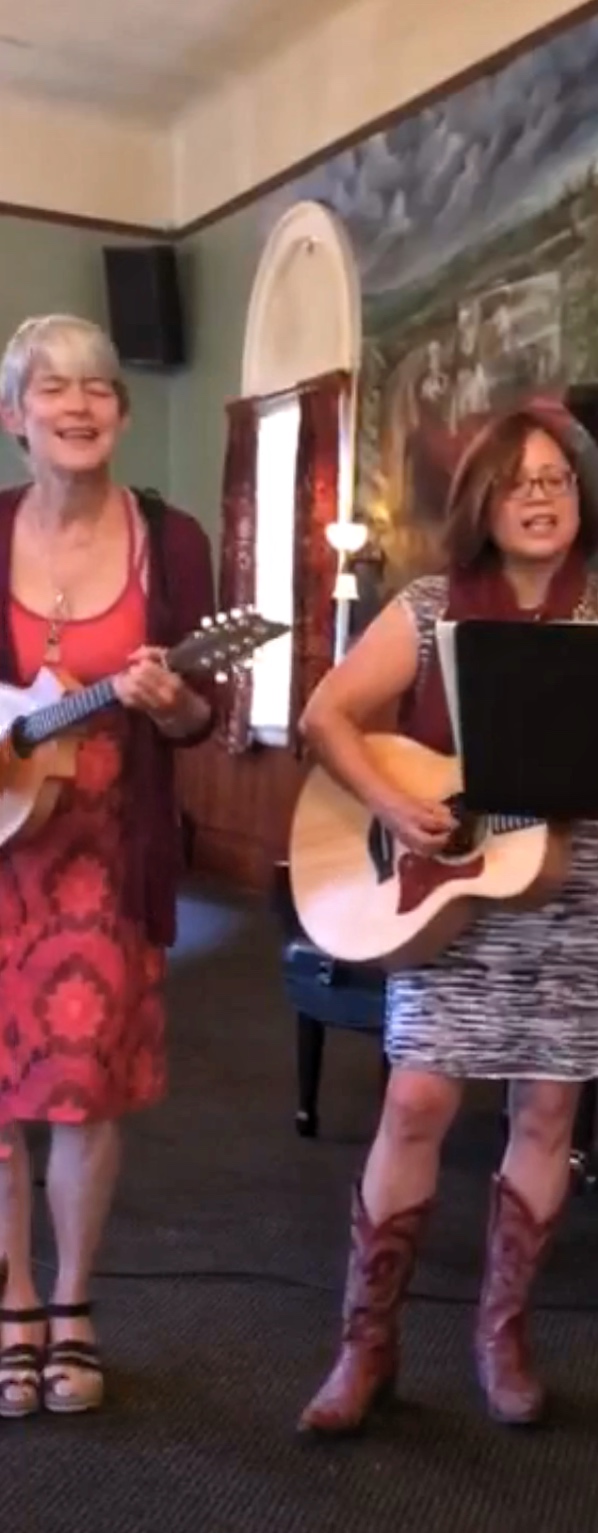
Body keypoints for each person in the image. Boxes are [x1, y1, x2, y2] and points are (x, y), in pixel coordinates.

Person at [295, 404, 598, 1437]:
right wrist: (388, 802)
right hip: (450, 899)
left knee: (546, 1114)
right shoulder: (428, 610)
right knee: (415, 1101)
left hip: (584, 894)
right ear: (481, 504)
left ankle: (503, 1339)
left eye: (556, 479)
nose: (539, 497)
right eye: (516, 481)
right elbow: (326, 715)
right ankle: (365, 1344)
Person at [0, 314, 216, 1417]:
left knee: (83, 1092)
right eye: (52, 388)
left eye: (97, 389)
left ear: (122, 417)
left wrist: (173, 702)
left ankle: (73, 1303)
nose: (77, 406)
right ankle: (12, 1302)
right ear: (14, 416)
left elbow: (199, 717)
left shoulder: (169, 544)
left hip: (104, 854)